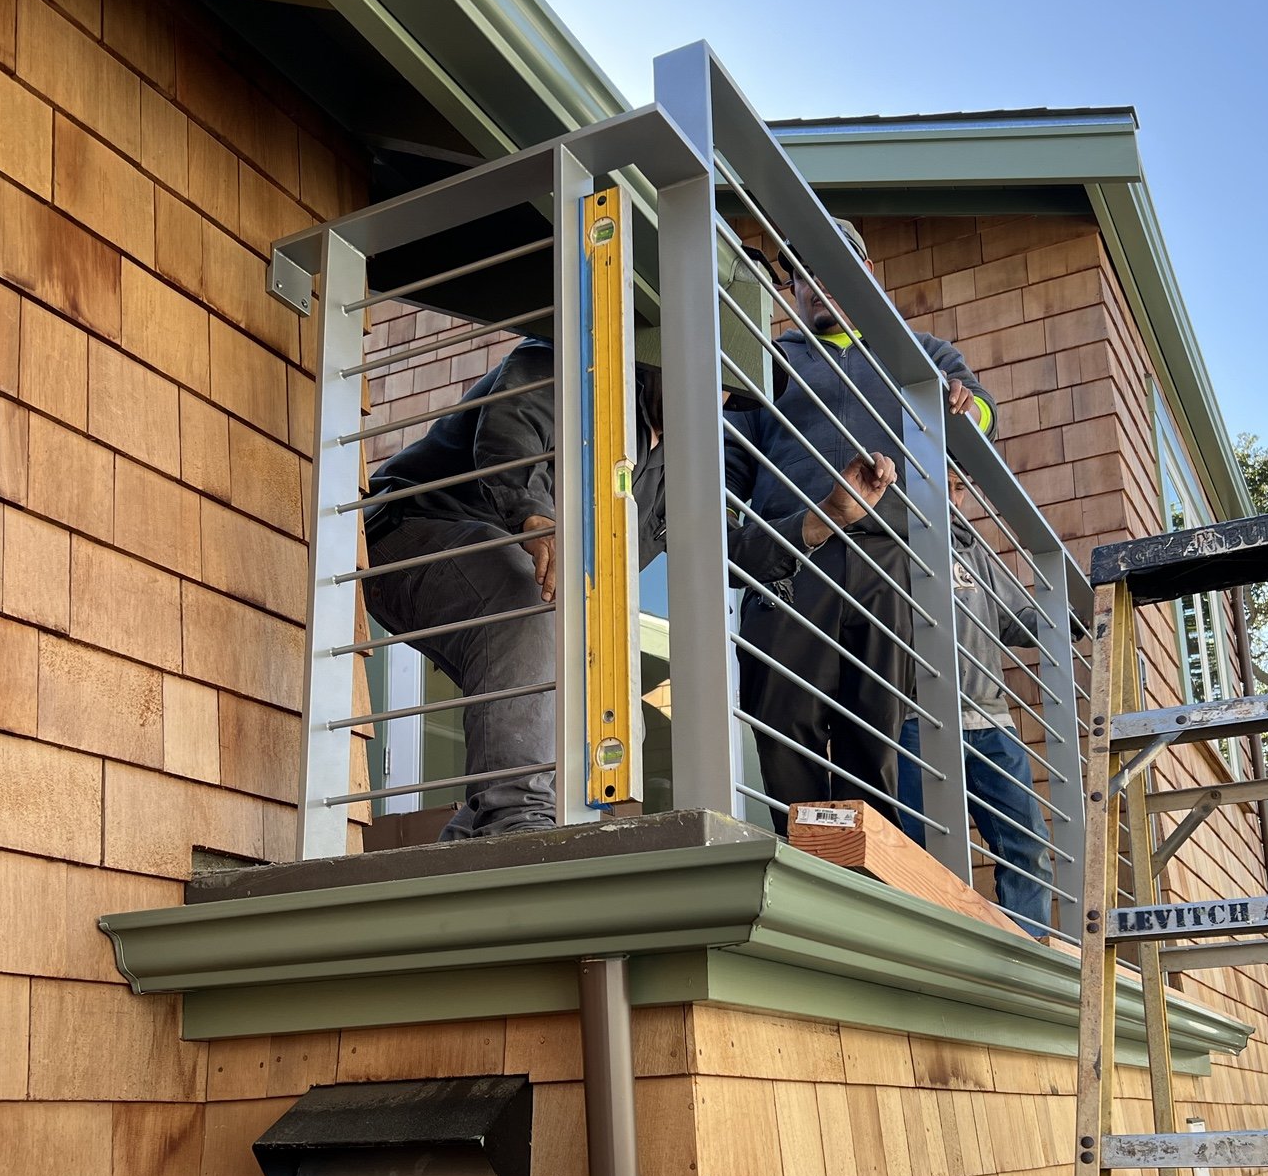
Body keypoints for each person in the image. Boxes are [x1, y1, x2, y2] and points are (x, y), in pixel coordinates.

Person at [362, 330, 897, 838]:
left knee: (598, 669)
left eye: (725, 390)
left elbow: (726, 548)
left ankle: (485, 835)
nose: (709, 397)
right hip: (408, 531)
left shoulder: (673, 467)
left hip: (507, 575)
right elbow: (512, 426)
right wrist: (535, 515)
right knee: (527, 596)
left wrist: (828, 515)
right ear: (660, 353)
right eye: (701, 373)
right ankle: (517, 823)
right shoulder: (577, 354)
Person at [725, 218, 997, 829]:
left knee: (876, 742)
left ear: (867, 273)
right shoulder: (766, 361)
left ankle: (866, 873)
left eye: (833, 266)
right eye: (802, 274)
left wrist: (963, 408)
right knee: (783, 730)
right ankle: (807, 866)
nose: (815, 283)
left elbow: (983, 414)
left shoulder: (920, 353)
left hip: (890, 560)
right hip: (794, 560)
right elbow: (728, 469)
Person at [897, 463, 1054, 931]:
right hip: (915, 721)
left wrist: (1064, 619)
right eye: (942, 482)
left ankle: (1027, 951)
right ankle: (935, 950)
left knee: (1027, 844)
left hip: (991, 721)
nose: (953, 495)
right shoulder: (890, 540)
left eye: (959, 487)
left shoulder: (973, 549)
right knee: (923, 849)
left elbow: (1016, 617)